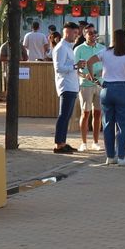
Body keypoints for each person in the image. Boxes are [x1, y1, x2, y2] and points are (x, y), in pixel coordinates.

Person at [85, 30, 125, 165]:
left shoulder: (105, 52)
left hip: (106, 89)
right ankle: (121, 156)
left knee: (107, 124)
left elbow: (89, 62)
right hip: (123, 89)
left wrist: (92, 78)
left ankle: (110, 156)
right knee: (123, 125)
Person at [73, 22, 104, 151]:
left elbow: (107, 64)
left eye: (94, 32)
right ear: (84, 35)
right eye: (90, 33)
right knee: (85, 113)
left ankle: (95, 142)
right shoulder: (78, 49)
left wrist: (103, 73)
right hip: (86, 84)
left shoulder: (102, 48)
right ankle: (84, 142)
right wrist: (84, 75)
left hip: (100, 84)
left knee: (98, 113)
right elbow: (75, 68)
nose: (93, 35)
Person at [51, 22, 80, 154]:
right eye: (75, 33)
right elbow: (59, 68)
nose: (76, 35)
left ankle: (62, 142)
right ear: (67, 32)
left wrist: (77, 67)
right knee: (63, 115)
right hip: (66, 85)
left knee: (67, 116)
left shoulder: (69, 48)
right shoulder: (61, 48)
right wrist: (75, 66)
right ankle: (59, 144)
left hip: (72, 85)